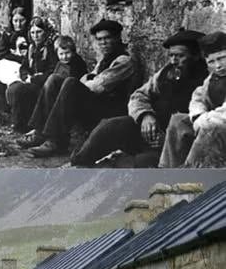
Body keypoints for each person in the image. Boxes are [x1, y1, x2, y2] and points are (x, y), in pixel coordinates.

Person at [71, 28, 208, 167]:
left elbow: (203, 128)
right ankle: (80, 164)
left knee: (139, 163)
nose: (173, 61)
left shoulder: (207, 82)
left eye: (179, 56)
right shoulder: (166, 73)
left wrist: (169, 139)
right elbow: (139, 95)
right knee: (109, 126)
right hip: (148, 131)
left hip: (173, 148)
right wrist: (146, 116)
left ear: (196, 56)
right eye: (171, 55)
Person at [29, 19, 143, 158]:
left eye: (107, 38)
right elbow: (89, 77)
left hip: (110, 110)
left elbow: (97, 85)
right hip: (97, 102)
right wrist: (83, 81)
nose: (103, 43)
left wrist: (77, 84)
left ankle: (55, 140)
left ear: (117, 38)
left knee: (70, 83)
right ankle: (40, 132)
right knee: (54, 79)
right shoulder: (105, 59)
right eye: (100, 39)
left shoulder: (124, 61)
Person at [159, 31, 226, 168]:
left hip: (218, 124)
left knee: (210, 129)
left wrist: (203, 120)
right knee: (178, 121)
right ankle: (167, 168)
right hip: (212, 123)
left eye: (222, 58)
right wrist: (197, 116)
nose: (218, 65)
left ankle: (190, 171)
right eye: (212, 61)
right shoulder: (213, 78)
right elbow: (198, 97)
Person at [22, 34, 87, 147]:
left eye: (67, 53)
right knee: (50, 82)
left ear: (73, 52)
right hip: (61, 93)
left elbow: (73, 83)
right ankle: (39, 130)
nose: (64, 57)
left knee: (53, 81)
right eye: (61, 54)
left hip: (74, 97)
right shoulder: (60, 64)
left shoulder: (77, 63)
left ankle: (50, 136)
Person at [6, 16, 57, 132]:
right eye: (33, 32)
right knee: (14, 87)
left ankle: (30, 125)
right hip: (31, 81)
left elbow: (53, 70)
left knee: (20, 90)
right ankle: (18, 123)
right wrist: (26, 76)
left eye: (39, 32)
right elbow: (24, 67)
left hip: (44, 85)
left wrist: (35, 79)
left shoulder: (50, 48)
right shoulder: (31, 48)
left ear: (45, 32)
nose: (36, 36)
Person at [0, 6, 29, 111]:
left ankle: (15, 107)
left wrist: (10, 55)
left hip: (24, 64)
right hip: (10, 63)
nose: (18, 24)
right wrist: (14, 57)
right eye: (15, 21)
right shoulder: (7, 35)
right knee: (0, 68)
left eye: (21, 20)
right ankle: (0, 107)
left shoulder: (30, 34)